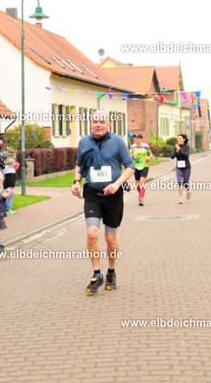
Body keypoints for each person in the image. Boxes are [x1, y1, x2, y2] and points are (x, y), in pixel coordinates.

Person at [72, 110, 135, 295]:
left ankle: (111, 271)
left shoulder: (117, 141)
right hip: (92, 194)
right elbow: (79, 165)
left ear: (108, 124)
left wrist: (116, 184)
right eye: (95, 121)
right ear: (91, 124)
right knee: (92, 234)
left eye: (102, 122)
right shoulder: (84, 142)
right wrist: (76, 182)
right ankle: (97, 274)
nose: (98, 124)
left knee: (110, 238)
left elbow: (130, 167)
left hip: (113, 196)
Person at [129, 133, 153, 206]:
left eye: (137, 138)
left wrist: (149, 157)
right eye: (135, 138)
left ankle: (141, 199)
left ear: (141, 139)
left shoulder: (146, 146)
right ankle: (141, 194)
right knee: (137, 184)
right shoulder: (133, 146)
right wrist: (133, 155)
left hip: (144, 165)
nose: (135, 139)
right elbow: (129, 155)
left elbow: (151, 154)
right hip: (136, 166)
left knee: (142, 182)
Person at [172, 134, 192, 204]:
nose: (179, 140)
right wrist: (176, 151)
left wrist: (180, 149)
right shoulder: (176, 147)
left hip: (186, 167)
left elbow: (186, 155)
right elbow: (172, 156)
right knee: (179, 182)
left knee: (185, 183)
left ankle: (188, 191)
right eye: (178, 138)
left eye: (180, 138)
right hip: (179, 167)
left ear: (184, 139)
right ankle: (181, 198)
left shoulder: (187, 146)